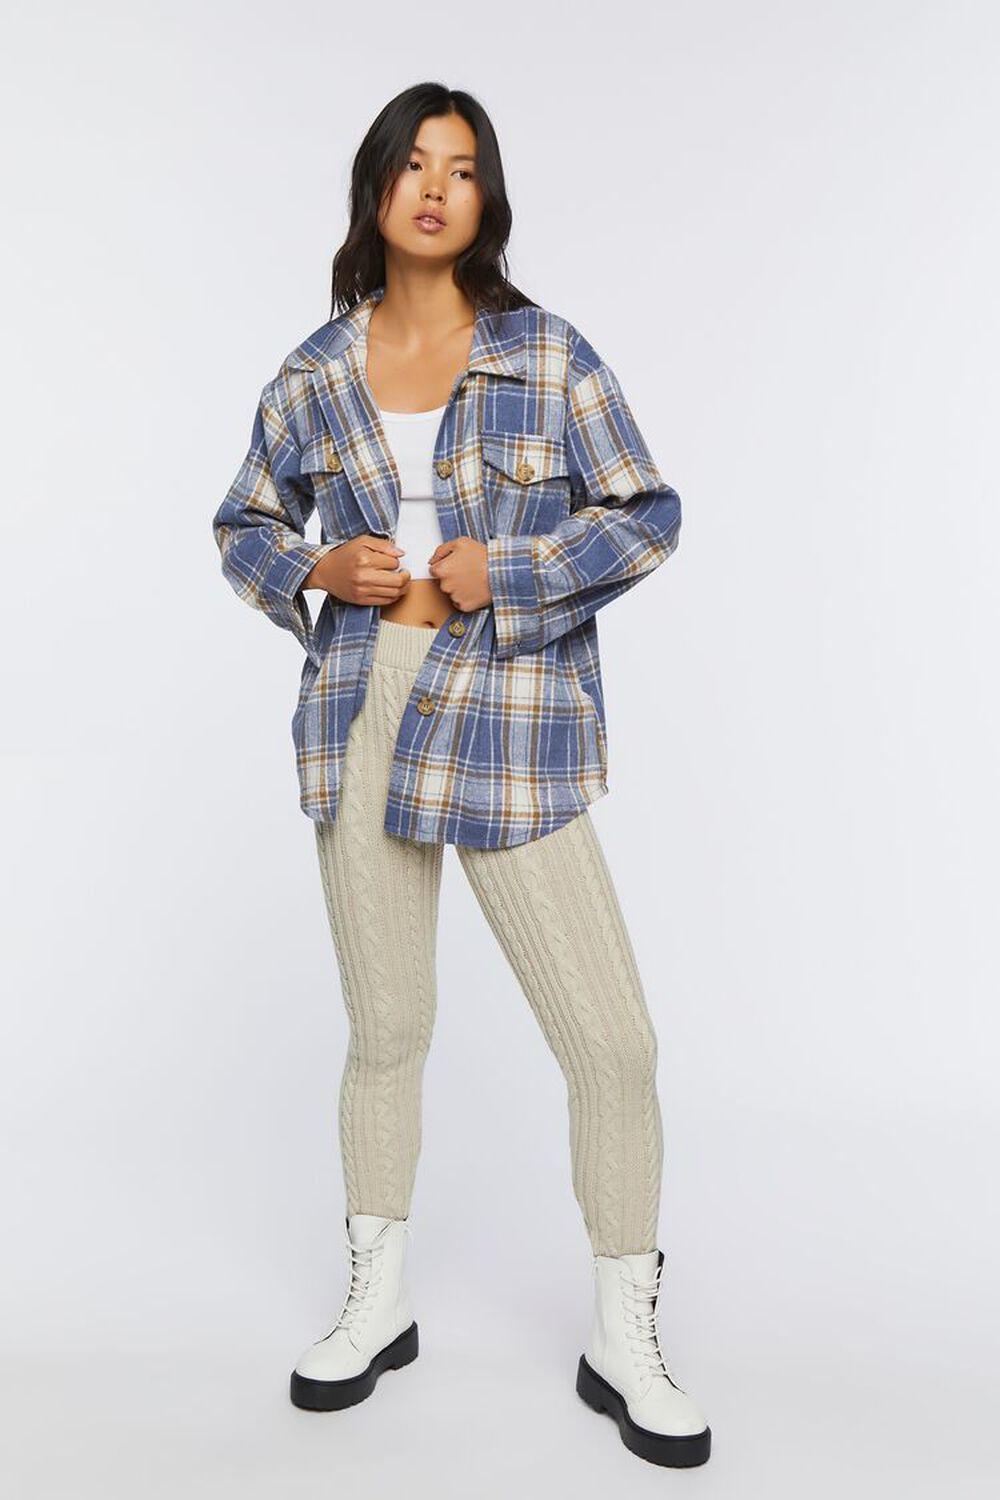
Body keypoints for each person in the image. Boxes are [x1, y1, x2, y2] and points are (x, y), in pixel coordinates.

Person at [211, 82, 711, 1468]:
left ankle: (625, 1332)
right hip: (363, 702)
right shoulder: (316, 370)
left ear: (487, 199)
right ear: (377, 188)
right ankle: (376, 1299)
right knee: (387, 1030)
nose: (437, 189)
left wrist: (522, 570)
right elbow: (242, 522)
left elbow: (647, 512)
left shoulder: (546, 354)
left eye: (465, 168)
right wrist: (317, 563)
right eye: (415, 165)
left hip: (511, 706)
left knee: (611, 1041)